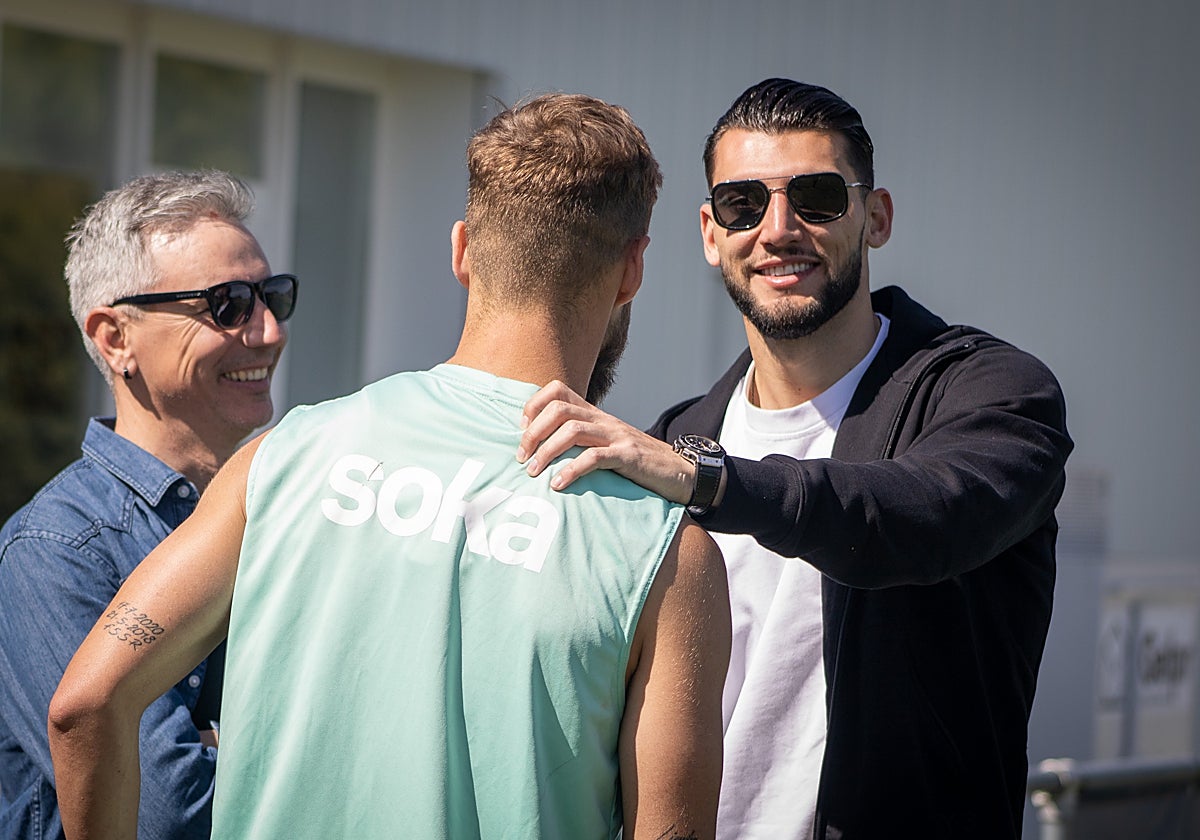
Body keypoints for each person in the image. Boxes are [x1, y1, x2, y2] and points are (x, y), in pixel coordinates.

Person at [48, 93, 731, 840]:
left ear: (464, 250)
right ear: (633, 271)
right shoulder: (666, 558)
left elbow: (87, 704)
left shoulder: (285, 457)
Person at [516, 78, 1074, 839]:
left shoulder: (989, 393)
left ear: (874, 218)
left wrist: (708, 481)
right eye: (745, 205)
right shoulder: (682, 432)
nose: (779, 229)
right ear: (711, 233)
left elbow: (923, 517)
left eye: (816, 198)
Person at [0, 170, 293, 839]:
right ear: (114, 338)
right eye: (229, 304)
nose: (270, 331)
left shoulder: (288, 513)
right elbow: (165, 817)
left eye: (273, 297)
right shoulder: (53, 552)